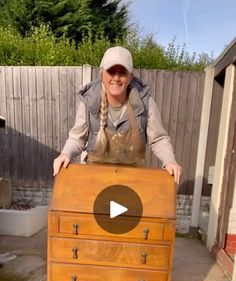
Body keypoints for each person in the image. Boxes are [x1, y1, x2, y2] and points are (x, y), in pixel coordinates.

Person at [53, 46, 182, 183]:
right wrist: (65, 154)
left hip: (133, 181)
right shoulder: (88, 103)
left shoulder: (146, 104)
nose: (116, 77)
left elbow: (159, 139)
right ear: (101, 74)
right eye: (111, 71)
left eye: (122, 72)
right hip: (95, 180)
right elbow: (76, 139)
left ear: (130, 76)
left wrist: (170, 161)